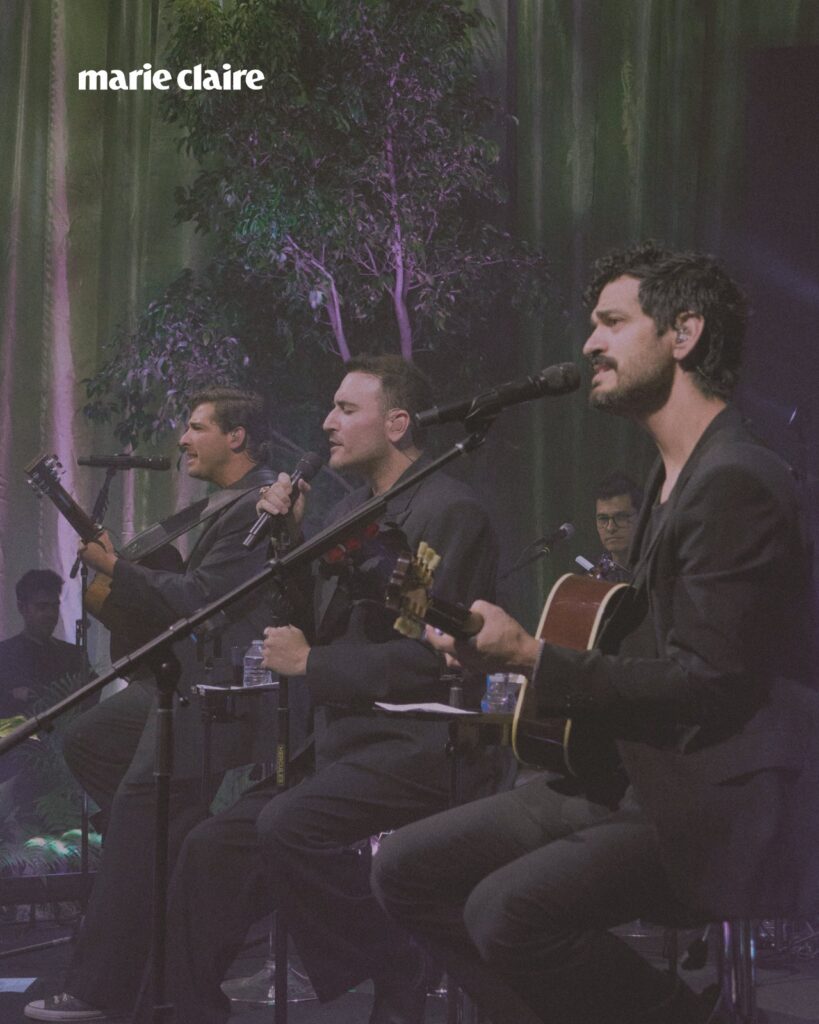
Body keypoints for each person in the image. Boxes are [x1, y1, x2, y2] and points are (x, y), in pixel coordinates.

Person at [372, 243, 819, 1024]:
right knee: (405, 867)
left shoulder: (737, 479)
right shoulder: (667, 474)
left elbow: (710, 682)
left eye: (611, 322)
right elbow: (641, 655)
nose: (587, 344)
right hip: (635, 775)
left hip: (713, 802)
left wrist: (533, 656)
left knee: (507, 913)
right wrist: (502, 654)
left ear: (683, 333)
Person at [131, 355, 506, 1024]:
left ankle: (397, 960)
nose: (327, 423)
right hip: (340, 740)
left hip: (416, 740)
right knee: (211, 848)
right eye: (331, 407)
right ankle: (181, 1010)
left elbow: (430, 656)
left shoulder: (445, 511)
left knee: (287, 826)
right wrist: (292, 541)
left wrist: (313, 667)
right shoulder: (352, 510)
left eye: (345, 409)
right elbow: (315, 626)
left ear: (397, 423)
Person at [26, 387, 279, 1023]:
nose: (184, 440)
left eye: (196, 428)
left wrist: (118, 567)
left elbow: (203, 596)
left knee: (142, 808)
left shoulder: (263, 501)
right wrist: (116, 584)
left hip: (229, 689)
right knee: (91, 739)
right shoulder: (222, 504)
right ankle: (167, 840)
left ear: (237, 437)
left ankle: (99, 990)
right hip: (194, 678)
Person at [0, 570, 84, 713]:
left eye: (55, 606)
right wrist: (12, 697)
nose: (51, 614)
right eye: (42, 607)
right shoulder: (4, 655)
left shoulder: (74, 655)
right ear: (22, 608)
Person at [591, 471, 643, 580]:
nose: (610, 528)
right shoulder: (593, 576)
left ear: (641, 517)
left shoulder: (658, 571)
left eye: (621, 517)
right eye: (603, 519)